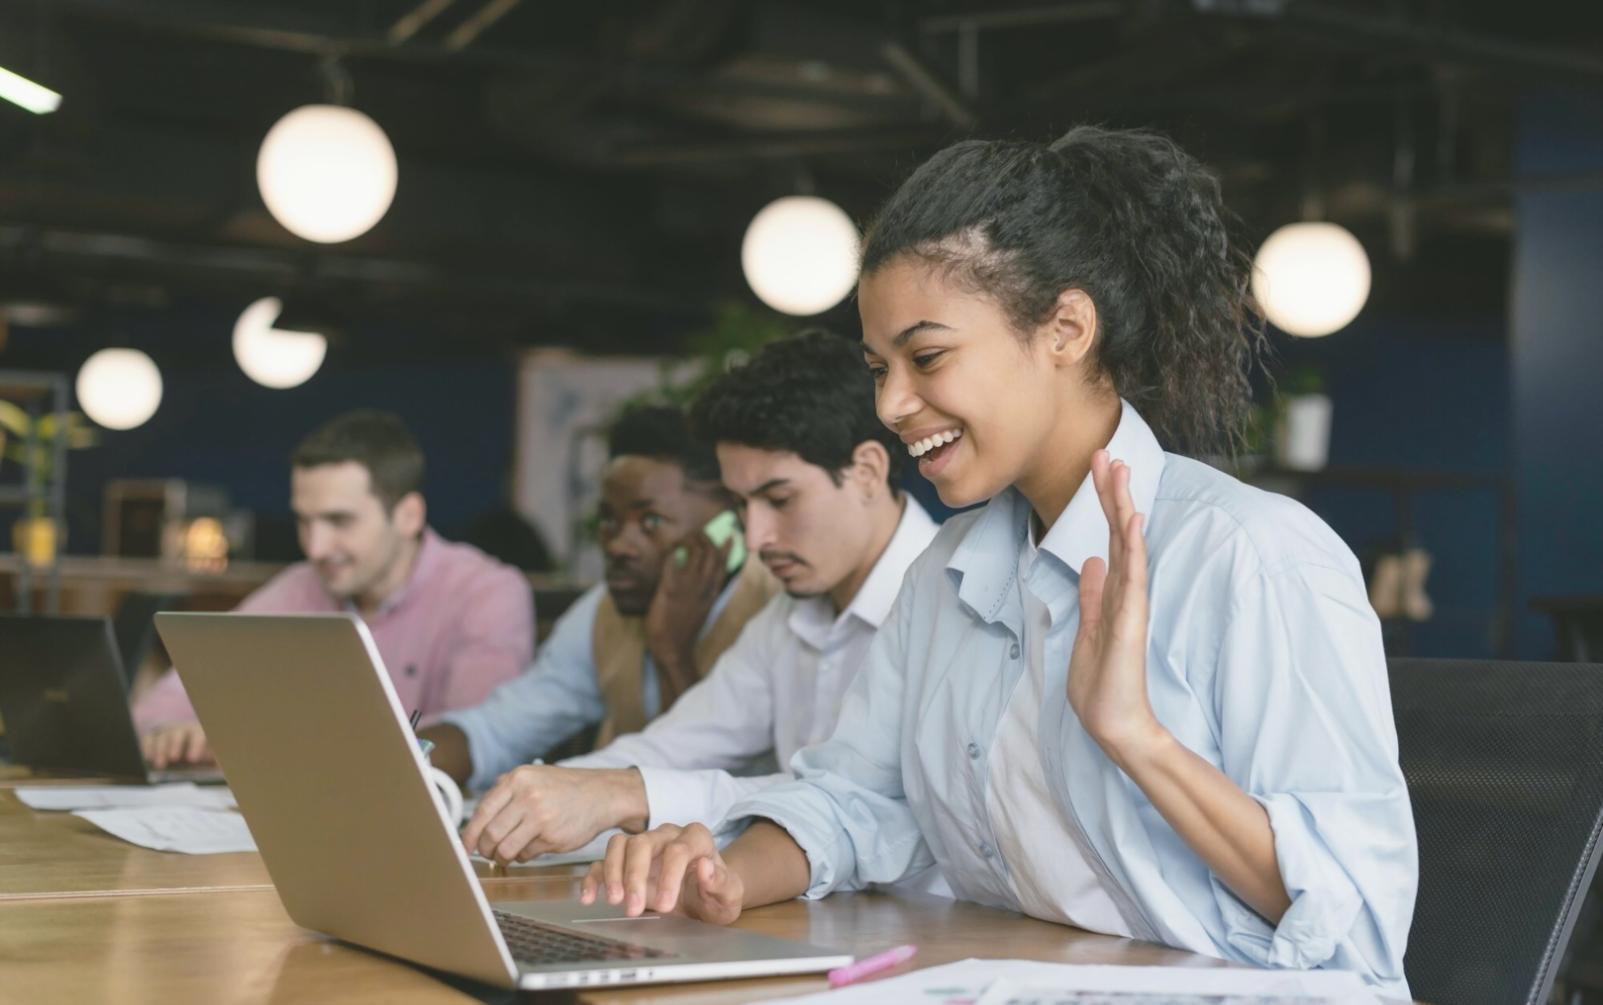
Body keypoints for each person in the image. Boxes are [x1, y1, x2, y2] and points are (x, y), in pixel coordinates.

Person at [581, 127, 1419, 996]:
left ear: (1064, 329)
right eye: (878, 367)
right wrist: (724, 874)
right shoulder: (946, 574)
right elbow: (857, 794)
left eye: (927, 357)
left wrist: (1136, 736)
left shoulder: (1253, 558)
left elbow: (1353, 918)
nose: (893, 403)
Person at [458, 331, 939, 865]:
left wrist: (621, 794)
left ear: (868, 471)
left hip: (954, 937)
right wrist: (534, 804)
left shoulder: (952, 602)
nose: (756, 538)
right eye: (741, 504)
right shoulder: (788, 615)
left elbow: (859, 803)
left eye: (779, 499)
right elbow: (673, 748)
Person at [135, 410, 534, 767]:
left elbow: (474, 740)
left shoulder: (487, 593)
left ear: (409, 515)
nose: (316, 547)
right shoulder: (299, 587)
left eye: (339, 521)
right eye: (304, 522)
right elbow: (163, 705)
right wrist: (171, 731)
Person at [421, 404, 779, 791]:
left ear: (728, 526)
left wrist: (670, 650)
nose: (619, 545)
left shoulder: (772, 602)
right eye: (608, 522)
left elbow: (702, 773)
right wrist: (405, 760)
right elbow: (499, 729)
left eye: (651, 522)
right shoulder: (604, 610)